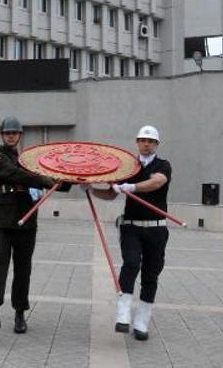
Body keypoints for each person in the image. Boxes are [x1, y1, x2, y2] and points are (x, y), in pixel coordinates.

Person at [85, 125, 172, 341]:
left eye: (150, 141)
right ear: (137, 142)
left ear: (157, 144)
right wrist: (91, 189)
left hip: (156, 228)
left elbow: (157, 182)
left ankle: (142, 322)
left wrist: (132, 188)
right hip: (132, 226)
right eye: (142, 140)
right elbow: (111, 194)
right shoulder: (127, 167)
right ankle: (123, 314)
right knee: (131, 264)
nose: (146, 144)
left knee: (151, 275)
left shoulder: (163, 165)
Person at [0, 117, 60, 334]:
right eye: (7, 133)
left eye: (15, 133)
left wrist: (70, 177)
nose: (11, 136)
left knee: (23, 268)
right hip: (2, 217)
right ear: (2, 135)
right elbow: (14, 174)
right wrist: (43, 179)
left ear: (20, 135)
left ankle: (20, 314)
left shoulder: (29, 161)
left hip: (26, 217)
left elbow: (53, 178)